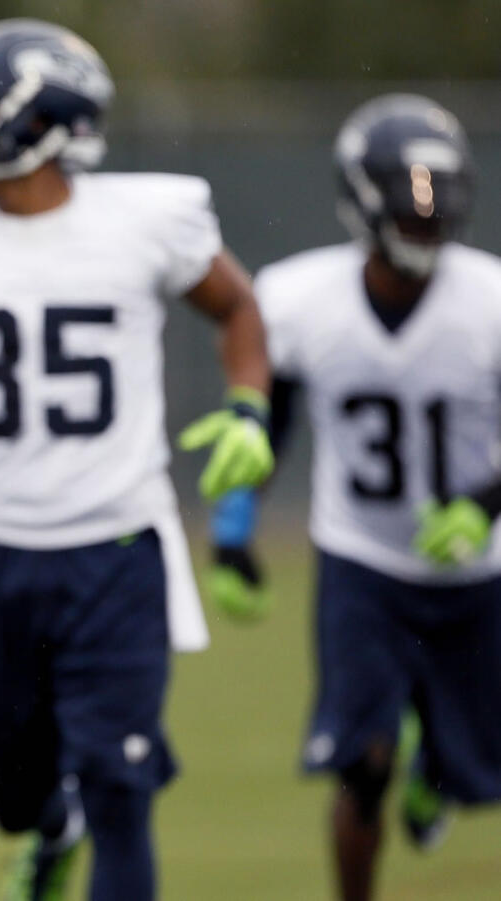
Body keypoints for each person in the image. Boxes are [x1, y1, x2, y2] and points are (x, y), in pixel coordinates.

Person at [0, 19, 273, 901]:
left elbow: (239, 310)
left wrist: (250, 409)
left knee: (120, 786)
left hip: (117, 545)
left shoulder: (144, 219)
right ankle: (51, 830)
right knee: (8, 778)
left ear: (41, 116)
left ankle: (88, 817)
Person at [233, 94, 501, 901]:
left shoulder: (489, 300)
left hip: (479, 568)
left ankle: (442, 772)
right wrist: (237, 523)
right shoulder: (300, 296)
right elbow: (268, 421)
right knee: (361, 761)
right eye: (409, 195)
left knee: (480, 765)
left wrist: (484, 505)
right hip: (362, 561)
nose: (424, 214)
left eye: (437, 195)